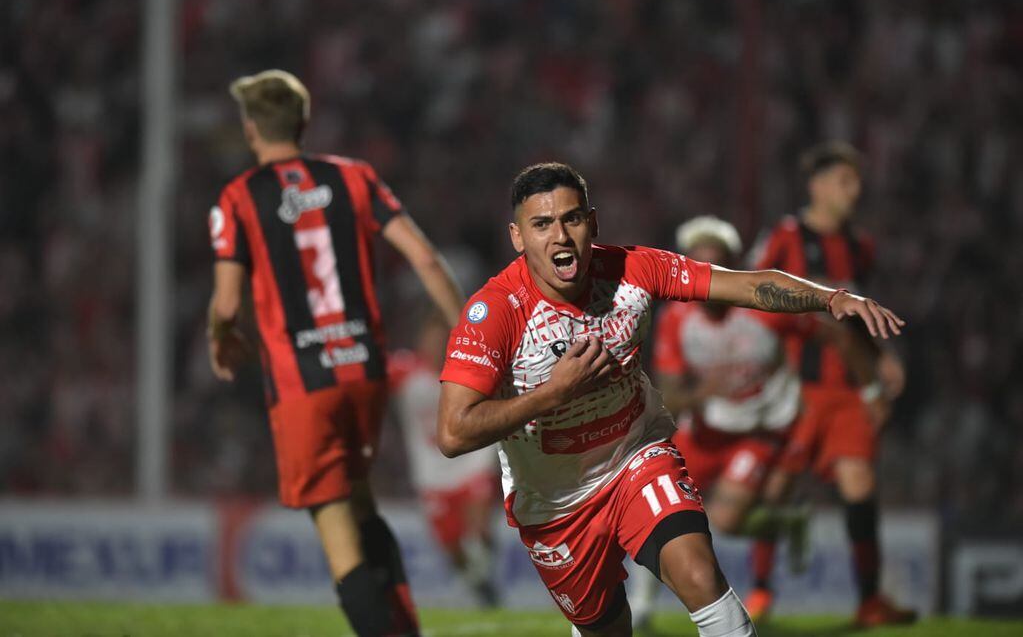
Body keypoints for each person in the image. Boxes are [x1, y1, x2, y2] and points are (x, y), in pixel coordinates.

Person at [437, 163, 904, 637]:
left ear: (592, 222)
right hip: (556, 504)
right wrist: (554, 393)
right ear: (517, 237)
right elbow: (454, 432)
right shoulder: (495, 312)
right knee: (608, 628)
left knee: (700, 576)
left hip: (636, 457)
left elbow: (741, 284)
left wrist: (830, 298)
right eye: (542, 225)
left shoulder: (633, 270)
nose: (560, 236)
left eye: (571, 219)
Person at [206, 69, 464, 637]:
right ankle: (408, 629)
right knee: (364, 503)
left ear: (251, 130)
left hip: (303, 384)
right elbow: (423, 258)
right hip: (365, 370)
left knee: (338, 535)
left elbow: (226, 305)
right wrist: (468, 334)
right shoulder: (354, 178)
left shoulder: (238, 198)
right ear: (302, 123)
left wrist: (218, 339)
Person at [629, 216, 883, 629]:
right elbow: (671, 393)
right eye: (699, 264)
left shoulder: (763, 309)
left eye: (716, 264)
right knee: (654, 503)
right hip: (707, 429)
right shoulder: (676, 319)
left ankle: (784, 522)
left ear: (729, 267)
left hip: (760, 430)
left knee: (726, 521)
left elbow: (834, 336)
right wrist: (702, 394)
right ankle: (640, 608)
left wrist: (871, 388)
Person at [751, 141, 916, 627]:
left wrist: (884, 358)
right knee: (776, 488)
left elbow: (860, 319)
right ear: (817, 186)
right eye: (845, 181)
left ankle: (869, 600)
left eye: (857, 182)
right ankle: (760, 592)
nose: (855, 191)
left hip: (847, 392)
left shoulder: (860, 246)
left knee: (859, 484)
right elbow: (751, 296)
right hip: (794, 388)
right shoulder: (783, 237)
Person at [389, 312, 501, 607]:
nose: (436, 344)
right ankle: (477, 583)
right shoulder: (405, 371)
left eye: (442, 338)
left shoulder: (468, 367)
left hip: (471, 460)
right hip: (431, 473)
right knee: (451, 544)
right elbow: (370, 380)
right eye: (431, 338)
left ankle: (484, 557)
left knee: (478, 527)